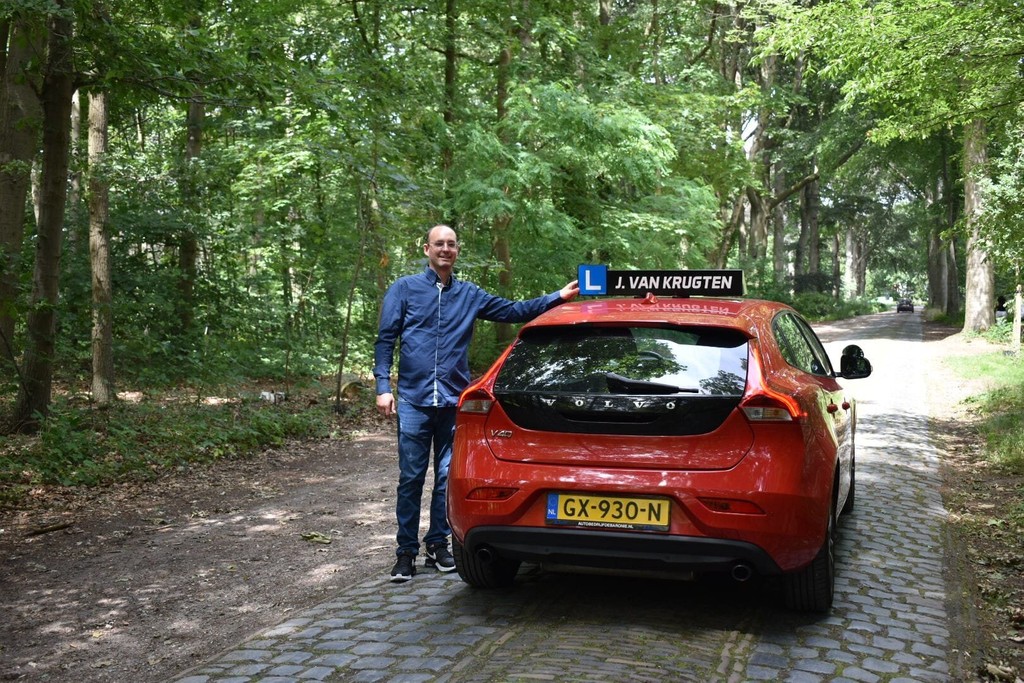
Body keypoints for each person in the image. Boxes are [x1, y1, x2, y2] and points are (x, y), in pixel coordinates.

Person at [374, 224, 579, 582]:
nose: (445, 249)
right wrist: (382, 386)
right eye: (439, 244)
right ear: (426, 249)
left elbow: (514, 310)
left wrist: (558, 296)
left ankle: (437, 545)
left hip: (453, 402)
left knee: (446, 479)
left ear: (457, 251)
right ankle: (405, 553)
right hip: (414, 400)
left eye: (451, 244)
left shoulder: (470, 294)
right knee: (411, 479)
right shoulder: (404, 289)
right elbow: (385, 339)